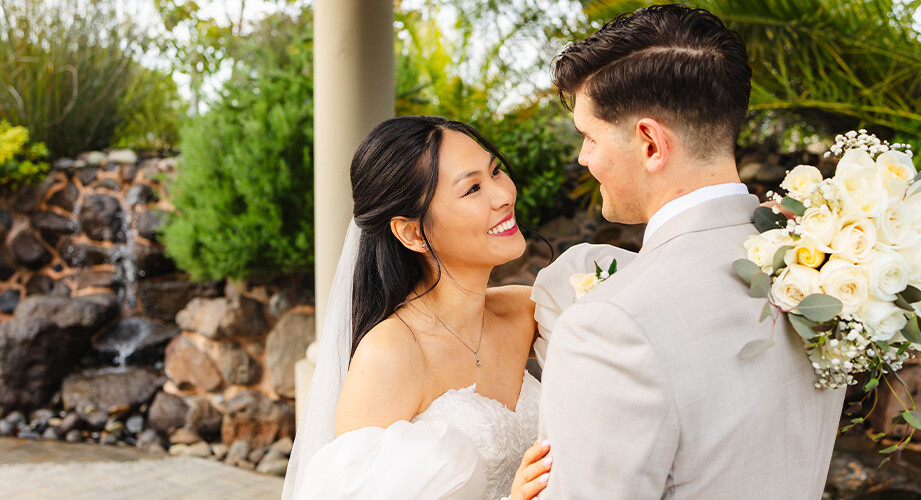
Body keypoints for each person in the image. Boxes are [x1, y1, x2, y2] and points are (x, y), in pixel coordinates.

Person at [532, 4, 847, 498]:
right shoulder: (826, 268)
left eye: (589, 137)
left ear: (651, 144)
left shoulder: (610, 325)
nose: (583, 157)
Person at [281, 116, 553, 500]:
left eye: (496, 171)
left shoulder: (527, 310)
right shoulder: (390, 354)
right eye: (472, 188)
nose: (503, 195)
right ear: (412, 232)